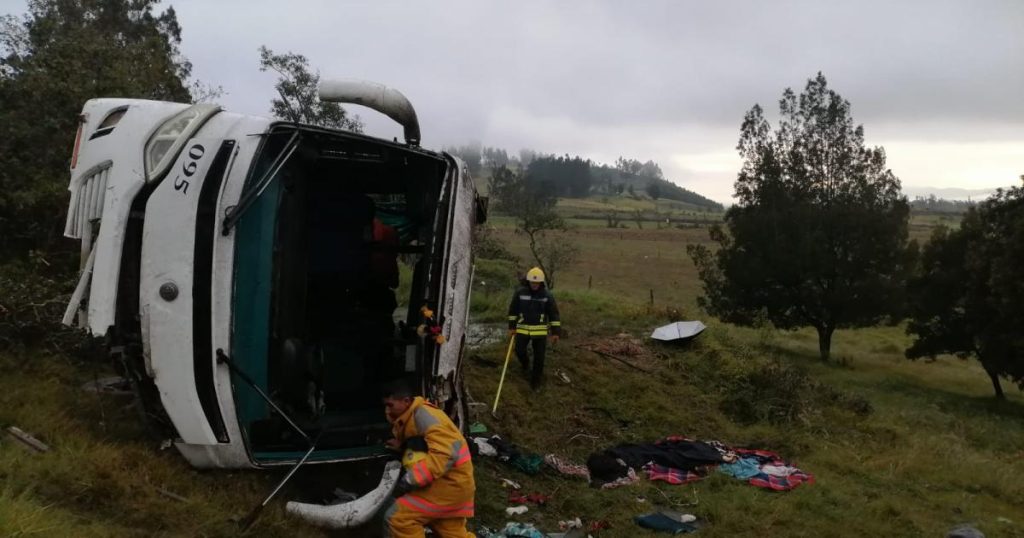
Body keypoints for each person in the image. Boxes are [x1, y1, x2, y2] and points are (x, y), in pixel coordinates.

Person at [382, 380, 475, 538]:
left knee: (398, 518)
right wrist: (403, 445)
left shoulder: (424, 416)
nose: (387, 410)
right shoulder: (413, 415)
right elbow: (426, 443)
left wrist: (410, 479)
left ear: (405, 401)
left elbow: (444, 453)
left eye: (390, 405)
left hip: (446, 487)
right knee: (452, 532)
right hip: (456, 486)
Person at [507, 267, 561, 389]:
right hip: (522, 329)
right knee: (519, 351)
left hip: (540, 332)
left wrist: (555, 333)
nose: (534, 285)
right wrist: (512, 327)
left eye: (537, 283)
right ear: (528, 281)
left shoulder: (547, 295)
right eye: (532, 282)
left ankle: (536, 382)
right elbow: (513, 311)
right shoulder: (520, 293)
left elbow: (554, 314)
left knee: (539, 358)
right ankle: (525, 365)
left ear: (541, 283)